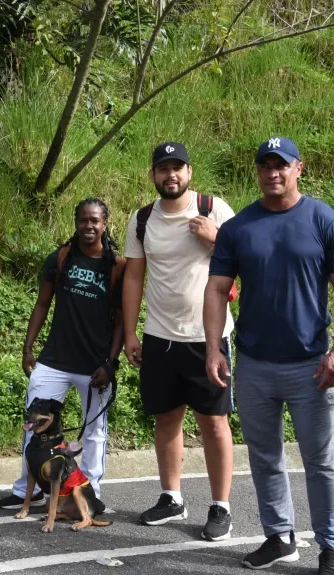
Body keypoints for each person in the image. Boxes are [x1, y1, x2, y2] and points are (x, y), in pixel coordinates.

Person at [204, 136, 334, 574]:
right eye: (265, 165)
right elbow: (216, 290)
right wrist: (214, 348)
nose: (273, 172)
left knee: (320, 459)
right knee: (264, 455)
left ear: (298, 168)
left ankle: (331, 548)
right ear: (257, 171)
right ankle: (279, 536)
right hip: (253, 363)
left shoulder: (327, 222)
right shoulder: (238, 228)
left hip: (312, 366)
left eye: (281, 165)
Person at [122, 142, 237, 541]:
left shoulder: (213, 208)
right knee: (166, 417)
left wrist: (216, 237)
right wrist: (131, 331)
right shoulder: (141, 220)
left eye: (178, 168)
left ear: (189, 172)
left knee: (214, 422)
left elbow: (246, 257)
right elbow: (134, 276)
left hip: (209, 337)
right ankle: (172, 496)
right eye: (162, 169)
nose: (170, 175)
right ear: (152, 175)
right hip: (159, 336)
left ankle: (220, 505)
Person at [0, 198, 124, 512]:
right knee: (32, 424)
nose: (89, 226)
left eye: (95, 220)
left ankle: (90, 491)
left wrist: (110, 361)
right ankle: (31, 488)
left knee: (94, 432)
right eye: (83, 220)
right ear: (76, 222)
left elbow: (123, 318)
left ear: (105, 223)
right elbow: (42, 304)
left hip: (95, 366)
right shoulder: (62, 257)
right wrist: (28, 348)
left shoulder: (117, 266)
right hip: (54, 360)